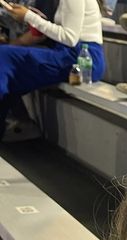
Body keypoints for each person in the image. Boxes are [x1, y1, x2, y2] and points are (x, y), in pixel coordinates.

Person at [0, 0, 104, 138]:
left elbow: (70, 37)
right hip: (69, 53)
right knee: (10, 73)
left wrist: (28, 16)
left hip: (82, 57)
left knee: (4, 56)